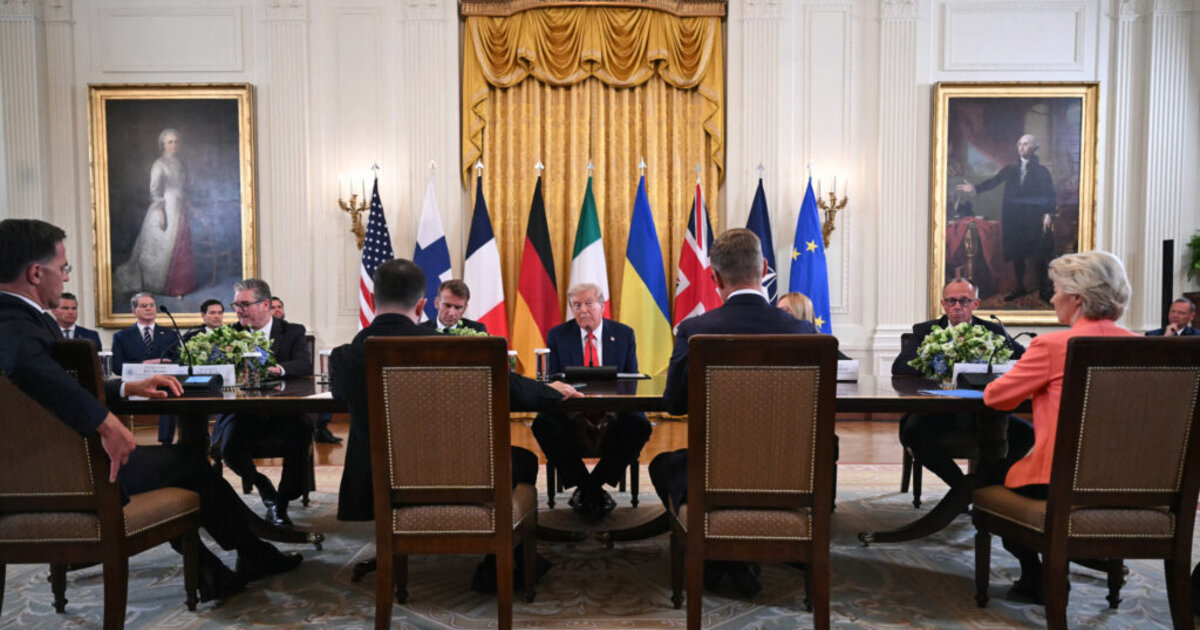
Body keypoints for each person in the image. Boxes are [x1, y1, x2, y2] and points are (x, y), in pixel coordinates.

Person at [0, 218, 301, 603]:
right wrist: (104, 422)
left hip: (40, 469)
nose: (66, 277)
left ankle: (217, 570)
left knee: (183, 465)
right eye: (64, 268)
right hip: (64, 476)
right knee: (189, 463)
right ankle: (250, 554)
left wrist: (126, 386)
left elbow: (56, 380)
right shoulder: (14, 324)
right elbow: (25, 365)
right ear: (35, 273)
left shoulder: (21, 319)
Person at [330, 258, 580, 592]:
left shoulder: (344, 358)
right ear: (423, 305)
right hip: (459, 473)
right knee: (522, 460)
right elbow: (511, 389)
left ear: (373, 299)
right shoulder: (450, 348)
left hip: (381, 479)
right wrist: (551, 391)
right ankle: (500, 563)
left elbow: (339, 397)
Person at [649, 228, 815, 597]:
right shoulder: (803, 332)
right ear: (765, 268)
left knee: (663, 465)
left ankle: (721, 558)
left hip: (715, 474)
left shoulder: (695, 330)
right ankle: (736, 560)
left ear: (715, 278)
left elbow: (673, 404)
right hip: (788, 474)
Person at [983, 250, 1137, 603]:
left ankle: (1038, 579)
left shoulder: (1052, 346)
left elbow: (996, 398)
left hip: (1057, 482)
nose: (1052, 299)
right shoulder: (1147, 349)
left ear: (1077, 297)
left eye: (1054, 290)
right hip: (1131, 484)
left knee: (989, 484)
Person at [891, 278, 1034, 489]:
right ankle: (963, 488)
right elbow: (900, 368)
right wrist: (941, 362)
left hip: (984, 413)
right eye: (951, 301)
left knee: (1026, 435)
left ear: (976, 304)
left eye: (964, 301)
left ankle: (988, 482)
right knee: (913, 434)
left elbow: (1024, 360)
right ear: (943, 304)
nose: (957, 307)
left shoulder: (992, 331)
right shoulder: (925, 331)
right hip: (936, 412)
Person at [533, 282, 649, 518]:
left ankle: (590, 487)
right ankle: (591, 488)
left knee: (639, 424)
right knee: (543, 423)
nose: (583, 310)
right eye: (577, 305)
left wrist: (612, 411)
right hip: (571, 412)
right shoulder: (557, 335)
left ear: (602, 306)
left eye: (589, 303)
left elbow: (631, 382)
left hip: (613, 412)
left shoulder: (624, 334)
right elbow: (552, 382)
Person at [211, 278, 313, 528]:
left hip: (282, 412)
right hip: (241, 413)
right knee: (228, 448)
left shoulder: (292, 331)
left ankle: (281, 501)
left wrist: (276, 368)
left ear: (266, 304)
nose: (239, 310)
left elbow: (303, 365)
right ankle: (263, 485)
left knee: (301, 434)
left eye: (245, 304)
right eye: (236, 305)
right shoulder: (229, 334)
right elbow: (215, 370)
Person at [956, 133, 1056, 302]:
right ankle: (1019, 288)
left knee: (1038, 255)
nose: (1022, 147)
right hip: (1014, 218)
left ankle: (1043, 290)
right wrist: (974, 188)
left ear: (1034, 148)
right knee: (1017, 254)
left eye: (1026, 144)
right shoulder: (1011, 169)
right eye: (1020, 144)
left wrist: (1047, 213)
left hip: (1033, 219)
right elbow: (994, 181)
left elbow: (1049, 194)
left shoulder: (1042, 172)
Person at [114, 128, 196, 298]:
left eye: (176, 142)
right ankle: (164, 287)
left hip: (180, 209)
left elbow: (181, 189)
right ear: (163, 145)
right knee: (162, 249)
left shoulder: (180, 163)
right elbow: (155, 191)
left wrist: (191, 207)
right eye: (170, 142)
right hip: (166, 208)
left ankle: (181, 286)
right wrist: (161, 214)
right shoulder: (159, 164)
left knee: (181, 247)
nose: (174, 145)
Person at [111, 291, 180, 444]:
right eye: (144, 306)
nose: (149, 308)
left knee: (170, 394)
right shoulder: (121, 336)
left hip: (164, 384)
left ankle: (166, 442)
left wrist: (162, 364)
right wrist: (143, 365)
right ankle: (127, 443)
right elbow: (117, 367)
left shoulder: (170, 334)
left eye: (151, 305)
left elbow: (179, 361)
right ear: (134, 311)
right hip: (136, 384)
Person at [418, 279, 487, 333]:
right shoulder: (420, 331)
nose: (451, 313)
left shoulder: (477, 329)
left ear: (465, 308)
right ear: (436, 303)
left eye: (458, 307)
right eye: (447, 305)